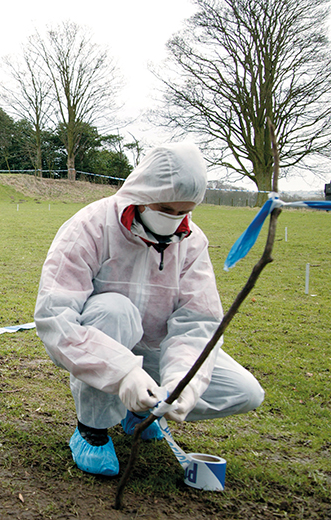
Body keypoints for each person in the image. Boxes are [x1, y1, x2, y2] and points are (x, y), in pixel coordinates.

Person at [34, 142, 264, 476]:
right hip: (103, 338)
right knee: (115, 310)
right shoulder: (91, 226)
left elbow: (198, 321)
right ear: (142, 194)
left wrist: (183, 381)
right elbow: (55, 316)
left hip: (157, 348)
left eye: (182, 211)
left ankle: (143, 409)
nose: (173, 219)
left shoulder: (193, 242)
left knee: (245, 392)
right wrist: (123, 370)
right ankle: (92, 429)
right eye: (164, 208)